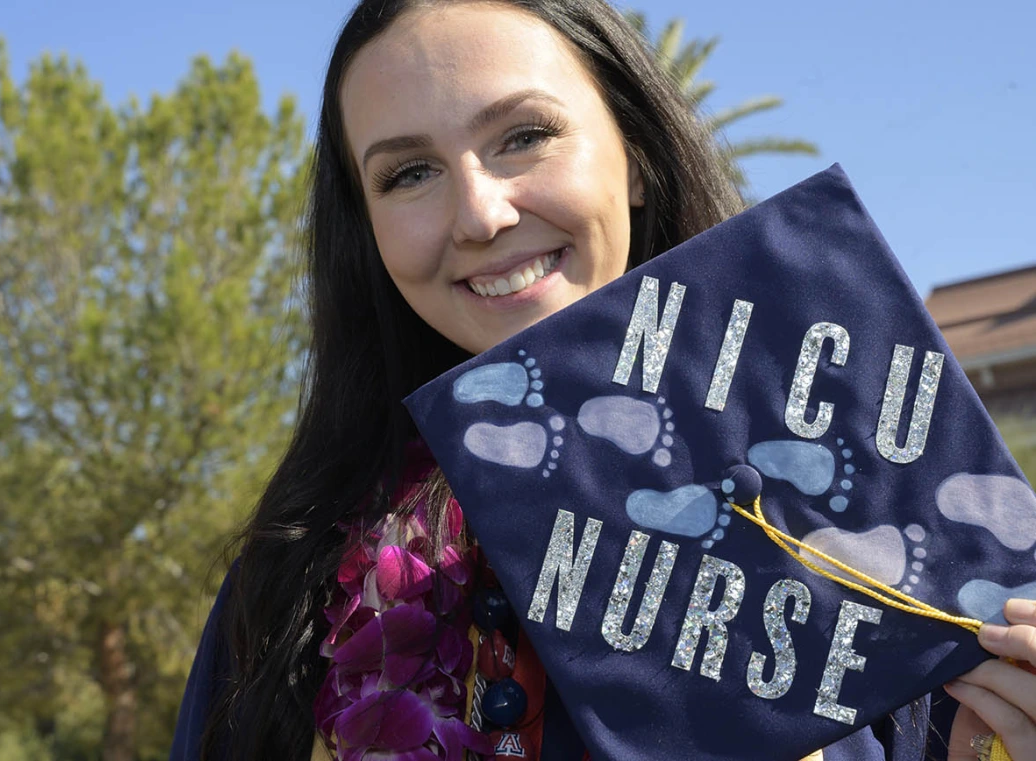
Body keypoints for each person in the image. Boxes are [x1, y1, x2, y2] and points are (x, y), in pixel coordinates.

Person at [170, 1, 1036, 759]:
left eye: (524, 136)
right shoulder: (296, 583)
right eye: (409, 173)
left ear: (636, 159)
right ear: (368, 233)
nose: (480, 213)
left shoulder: (891, 521)